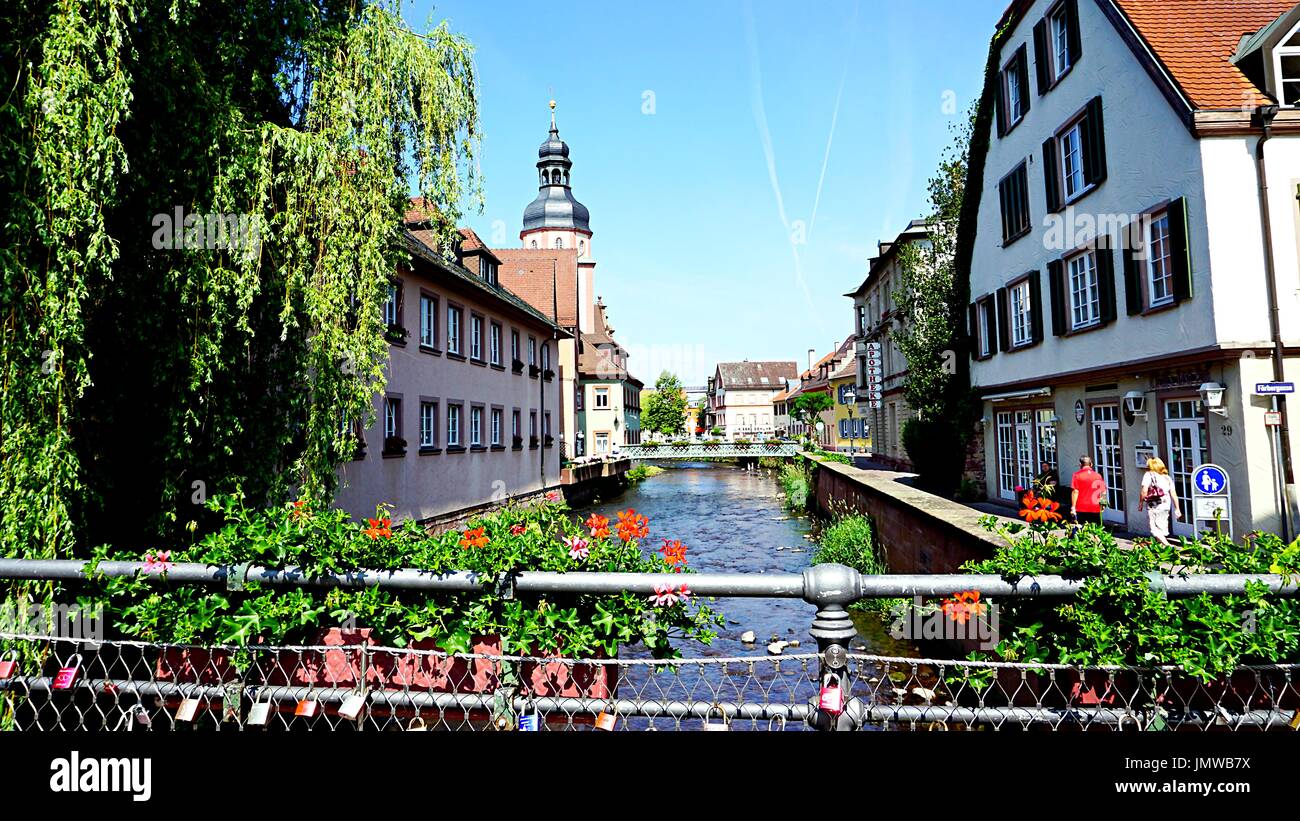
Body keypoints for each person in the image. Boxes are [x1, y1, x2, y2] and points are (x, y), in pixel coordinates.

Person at [1138, 457, 1182, 546]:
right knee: (1162, 525)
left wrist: (1141, 503)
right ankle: (1161, 547)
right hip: (1166, 504)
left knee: (1154, 528)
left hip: (1154, 504)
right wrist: (1177, 508)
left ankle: (1168, 546)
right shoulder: (1167, 478)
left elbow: (1144, 491)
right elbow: (1173, 494)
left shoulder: (1148, 475)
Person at [1070, 456, 1107, 526]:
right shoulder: (1098, 475)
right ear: (1091, 464)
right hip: (1095, 507)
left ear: (1080, 465)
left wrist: (1073, 507)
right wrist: (1103, 504)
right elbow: (1103, 491)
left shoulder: (1076, 475)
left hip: (1081, 507)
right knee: (1095, 531)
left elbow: (1075, 491)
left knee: (1081, 530)